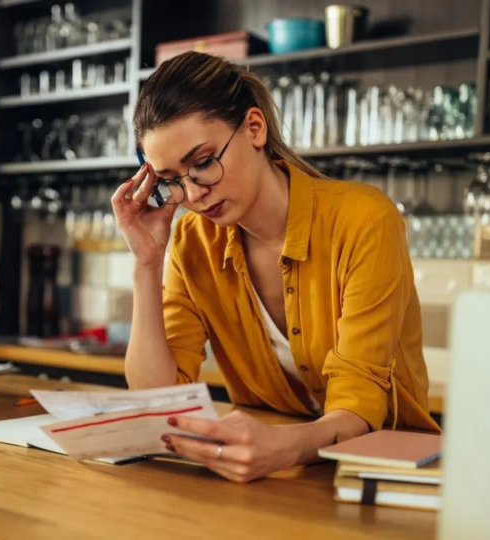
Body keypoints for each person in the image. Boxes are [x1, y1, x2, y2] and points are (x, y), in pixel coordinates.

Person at [110, 52, 441, 484]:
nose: (193, 194)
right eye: (172, 179)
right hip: (269, 480)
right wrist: (146, 263)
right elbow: (156, 401)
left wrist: (281, 448)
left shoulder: (365, 220)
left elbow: (360, 405)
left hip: (383, 473)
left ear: (254, 128)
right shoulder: (192, 243)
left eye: (203, 162)